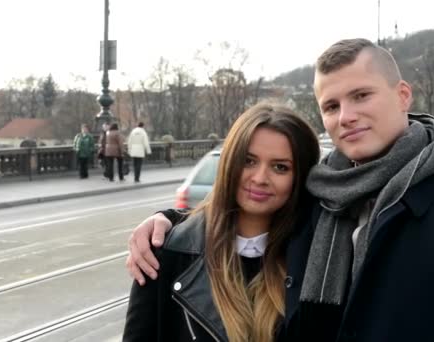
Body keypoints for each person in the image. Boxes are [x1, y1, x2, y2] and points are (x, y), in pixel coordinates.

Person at [126, 38, 434, 341]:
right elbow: (243, 226)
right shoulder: (315, 199)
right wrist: (166, 224)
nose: (346, 116)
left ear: (402, 95)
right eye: (331, 106)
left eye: (361, 96)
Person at [123, 103, 320, 342]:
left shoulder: (316, 257)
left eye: (280, 167)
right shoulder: (167, 252)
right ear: (229, 163)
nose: (259, 178)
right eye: (248, 161)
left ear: (299, 177)